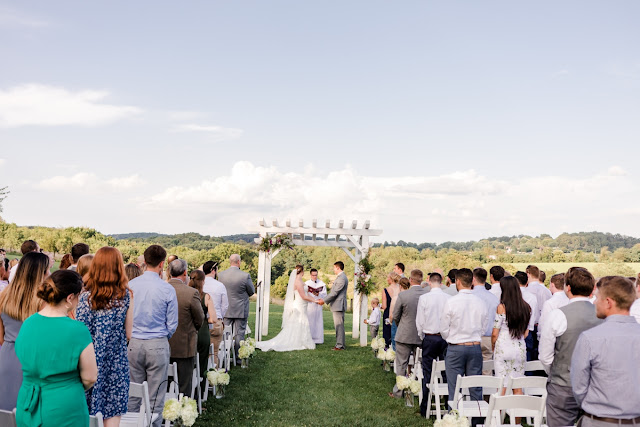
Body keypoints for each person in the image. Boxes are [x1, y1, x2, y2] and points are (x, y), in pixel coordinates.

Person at [14, 270, 97, 427]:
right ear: (70, 297)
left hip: (28, 401)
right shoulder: (77, 330)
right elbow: (90, 376)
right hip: (64, 407)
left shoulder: (28, 323)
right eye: (78, 296)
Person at [571, 276, 640, 426]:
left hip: (599, 420)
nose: (594, 302)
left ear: (608, 302)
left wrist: (594, 407)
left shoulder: (590, 338)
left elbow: (579, 387)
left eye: (597, 298)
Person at [76, 247, 133, 426]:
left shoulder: (84, 298)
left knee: (86, 416)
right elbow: (129, 333)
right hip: (116, 363)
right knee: (113, 415)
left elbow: (79, 332)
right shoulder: (125, 297)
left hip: (87, 362)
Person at [539, 267, 602, 427]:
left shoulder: (558, 315)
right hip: (594, 384)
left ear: (568, 288)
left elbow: (545, 355)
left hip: (563, 384)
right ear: (592, 288)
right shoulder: (602, 315)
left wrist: (554, 372)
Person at [127, 245, 178, 427]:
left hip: (134, 343)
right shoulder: (166, 289)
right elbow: (172, 323)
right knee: (156, 396)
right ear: (162, 264)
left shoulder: (130, 285)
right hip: (157, 343)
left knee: (133, 393)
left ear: (145, 262)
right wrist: (162, 336)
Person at [0, 252, 49, 411]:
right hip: (35, 359)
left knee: (6, 413)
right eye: (47, 270)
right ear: (40, 273)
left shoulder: (4, 295)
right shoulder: (45, 301)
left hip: (7, 357)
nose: (49, 274)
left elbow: (1, 337)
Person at [440, 268, 487, 412]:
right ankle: (477, 421)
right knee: (475, 387)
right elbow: (483, 328)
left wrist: (452, 339)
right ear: (472, 281)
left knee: (454, 388)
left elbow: (443, 328)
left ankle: (453, 420)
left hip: (456, 348)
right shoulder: (480, 302)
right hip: (474, 347)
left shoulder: (451, 302)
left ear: (458, 282)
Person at [256, 265, 316, 352]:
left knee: (299, 324)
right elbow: (303, 296)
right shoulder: (298, 282)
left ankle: (300, 340)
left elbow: (307, 294)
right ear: (302, 272)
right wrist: (315, 301)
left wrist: (315, 299)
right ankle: (298, 341)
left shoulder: (300, 281)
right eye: (304, 271)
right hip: (299, 305)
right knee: (299, 322)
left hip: (303, 305)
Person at [167, 259, 204, 396]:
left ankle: (166, 414)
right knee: (184, 385)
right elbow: (199, 319)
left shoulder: (161, 289)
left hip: (164, 344)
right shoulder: (191, 293)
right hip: (185, 345)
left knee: (165, 384)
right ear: (185, 272)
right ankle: (183, 413)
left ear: (169, 272)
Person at [416, 272, 450, 418]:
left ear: (429, 281)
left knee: (427, 372)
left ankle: (425, 407)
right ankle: (448, 404)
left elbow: (420, 321)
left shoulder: (424, 298)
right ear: (441, 282)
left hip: (430, 338)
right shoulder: (449, 298)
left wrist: (422, 336)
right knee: (446, 371)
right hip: (444, 338)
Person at [390, 269, 428, 398]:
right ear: (421, 280)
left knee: (401, 364)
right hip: (421, 335)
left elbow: (395, 315)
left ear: (410, 280)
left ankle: (398, 392)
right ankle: (420, 390)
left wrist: (402, 325)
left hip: (404, 334)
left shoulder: (403, 295)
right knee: (421, 364)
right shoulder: (427, 294)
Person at [492, 276, 530, 394]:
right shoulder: (526, 307)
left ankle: (500, 412)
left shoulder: (502, 307)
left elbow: (494, 333)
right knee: (517, 386)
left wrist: (494, 346)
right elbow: (526, 332)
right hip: (519, 348)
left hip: (503, 346)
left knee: (501, 385)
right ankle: (518, 412)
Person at [217, 254, 255, 358]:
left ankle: (223, 355)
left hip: (226, 309)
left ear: (230, 262)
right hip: (240, 309)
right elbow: (251, 291)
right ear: (239, 262)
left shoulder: (221, 275)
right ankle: (238, 357)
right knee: (239, 334)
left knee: (225, 333)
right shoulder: (245, 276)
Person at [188, 270, 216, 388]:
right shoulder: (206, 296)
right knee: (202, 362)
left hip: (189, 330)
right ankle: (201, 388)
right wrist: (207, 319)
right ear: (203, 281)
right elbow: (213, 318)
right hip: (202, 332)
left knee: (189, 361)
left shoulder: (187, 293)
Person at [472, 267, 499, 372]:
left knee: (472, 368)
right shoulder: (493, 298)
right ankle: (488, 387)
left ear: (473, 279)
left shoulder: (470, 296)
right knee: (487, 369)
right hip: (488, 337)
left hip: (472, 338)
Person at [317, 261, 348, 351]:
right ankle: (339, 344)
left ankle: (340, 345)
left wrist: (324, 300)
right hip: (337, 305)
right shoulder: (340, 277)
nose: (333, 269)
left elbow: (335, 293)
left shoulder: (342, 278)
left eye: (334, 268)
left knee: (339, 325)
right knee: (338, 325)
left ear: (338, 268)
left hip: (338, 305)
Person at [203, 260, 228, 367]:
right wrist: (220, 318)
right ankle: (213, 381)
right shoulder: (220, 285)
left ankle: (201, 378)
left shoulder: (200, 284)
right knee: (214, 353)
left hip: (202, 321)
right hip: (215, 322)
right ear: (213, 270)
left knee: (201, 353)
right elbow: (225, 305)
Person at [525, 265, 551, 360]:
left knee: (529, 354)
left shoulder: (526, 291)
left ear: (528, 274)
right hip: (544, 326)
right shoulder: (547, 291)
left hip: (529, 327)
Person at [514, 271, 538, 363]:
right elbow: (534, 315)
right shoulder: (532, 297)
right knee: (527, 362)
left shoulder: (512, 296)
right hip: (528, 331)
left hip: (513, 331)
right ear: (527, 283)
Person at [537, 273, 569, 341]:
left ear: (552, 284)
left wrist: (540, 337)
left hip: (554, 338)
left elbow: (543, 324)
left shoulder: (550, 303)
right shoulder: (569, 299)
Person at [305, 268, 327, 344]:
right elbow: (305, 294)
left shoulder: (322, 284)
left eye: (316, 275)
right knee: (310, 321)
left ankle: (318, 338)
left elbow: (325, 294)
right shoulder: (306, 283)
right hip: (310, 304)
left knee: (318, 321)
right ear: (310, 275)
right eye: (313, 275)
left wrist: (319, 294)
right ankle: (309, 337)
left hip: (318, 305)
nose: (315, 276)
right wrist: (312, 294)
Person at [389, 277, 410, 350]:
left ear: (400, 286)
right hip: (408, 324)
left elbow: (391, 315)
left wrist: (391, 321)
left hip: (396, 323)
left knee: (396, 345)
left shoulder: (395, 298)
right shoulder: (411, 297)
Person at [381, 272, 400, 348]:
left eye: (388, 277)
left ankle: (387, 353)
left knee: (387, 334)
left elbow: (384, 306)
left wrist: (380, 306)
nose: (387, 279)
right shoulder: (400, 289)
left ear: (391, 279)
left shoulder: (385, 290)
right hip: (398, 313)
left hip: (388, 314)